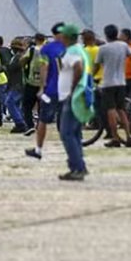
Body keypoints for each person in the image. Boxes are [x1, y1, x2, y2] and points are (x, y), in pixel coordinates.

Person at [26, 24, 67, 161]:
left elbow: (44, 67)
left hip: (52, 90)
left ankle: (38, 149)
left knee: (43, 120)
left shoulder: (47, 49)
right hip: (67, 89)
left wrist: (42, 87)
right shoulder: (71, 47)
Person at [55, 23, 90, 180]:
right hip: (77, 96)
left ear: (67, 37)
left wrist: (72, 89)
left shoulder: (72, 51)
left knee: (66, 133)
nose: (60, 38)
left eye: (62, 35)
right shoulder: (79, 49)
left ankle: (78, 168)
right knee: (74, 133)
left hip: (72, 97)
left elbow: (78, 67)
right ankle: (78, 166)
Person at [96, 24, 131, 147]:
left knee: (111, 111)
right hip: (121, 82)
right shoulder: (123, 46)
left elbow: (96, 65)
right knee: (122, 110)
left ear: (106, 35)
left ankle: (115, 138)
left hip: (108, 83)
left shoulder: (103, 48)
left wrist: (91, 75)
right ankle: (128, 136)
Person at [2, 38, 29, 133]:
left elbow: (13, 68)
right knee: (16, 104)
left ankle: (20, 123)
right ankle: (21, 122)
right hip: (17, 84)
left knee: (10, 102)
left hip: (17, 84)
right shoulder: (18, 57)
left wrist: (5, 67)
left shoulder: (18, 58)